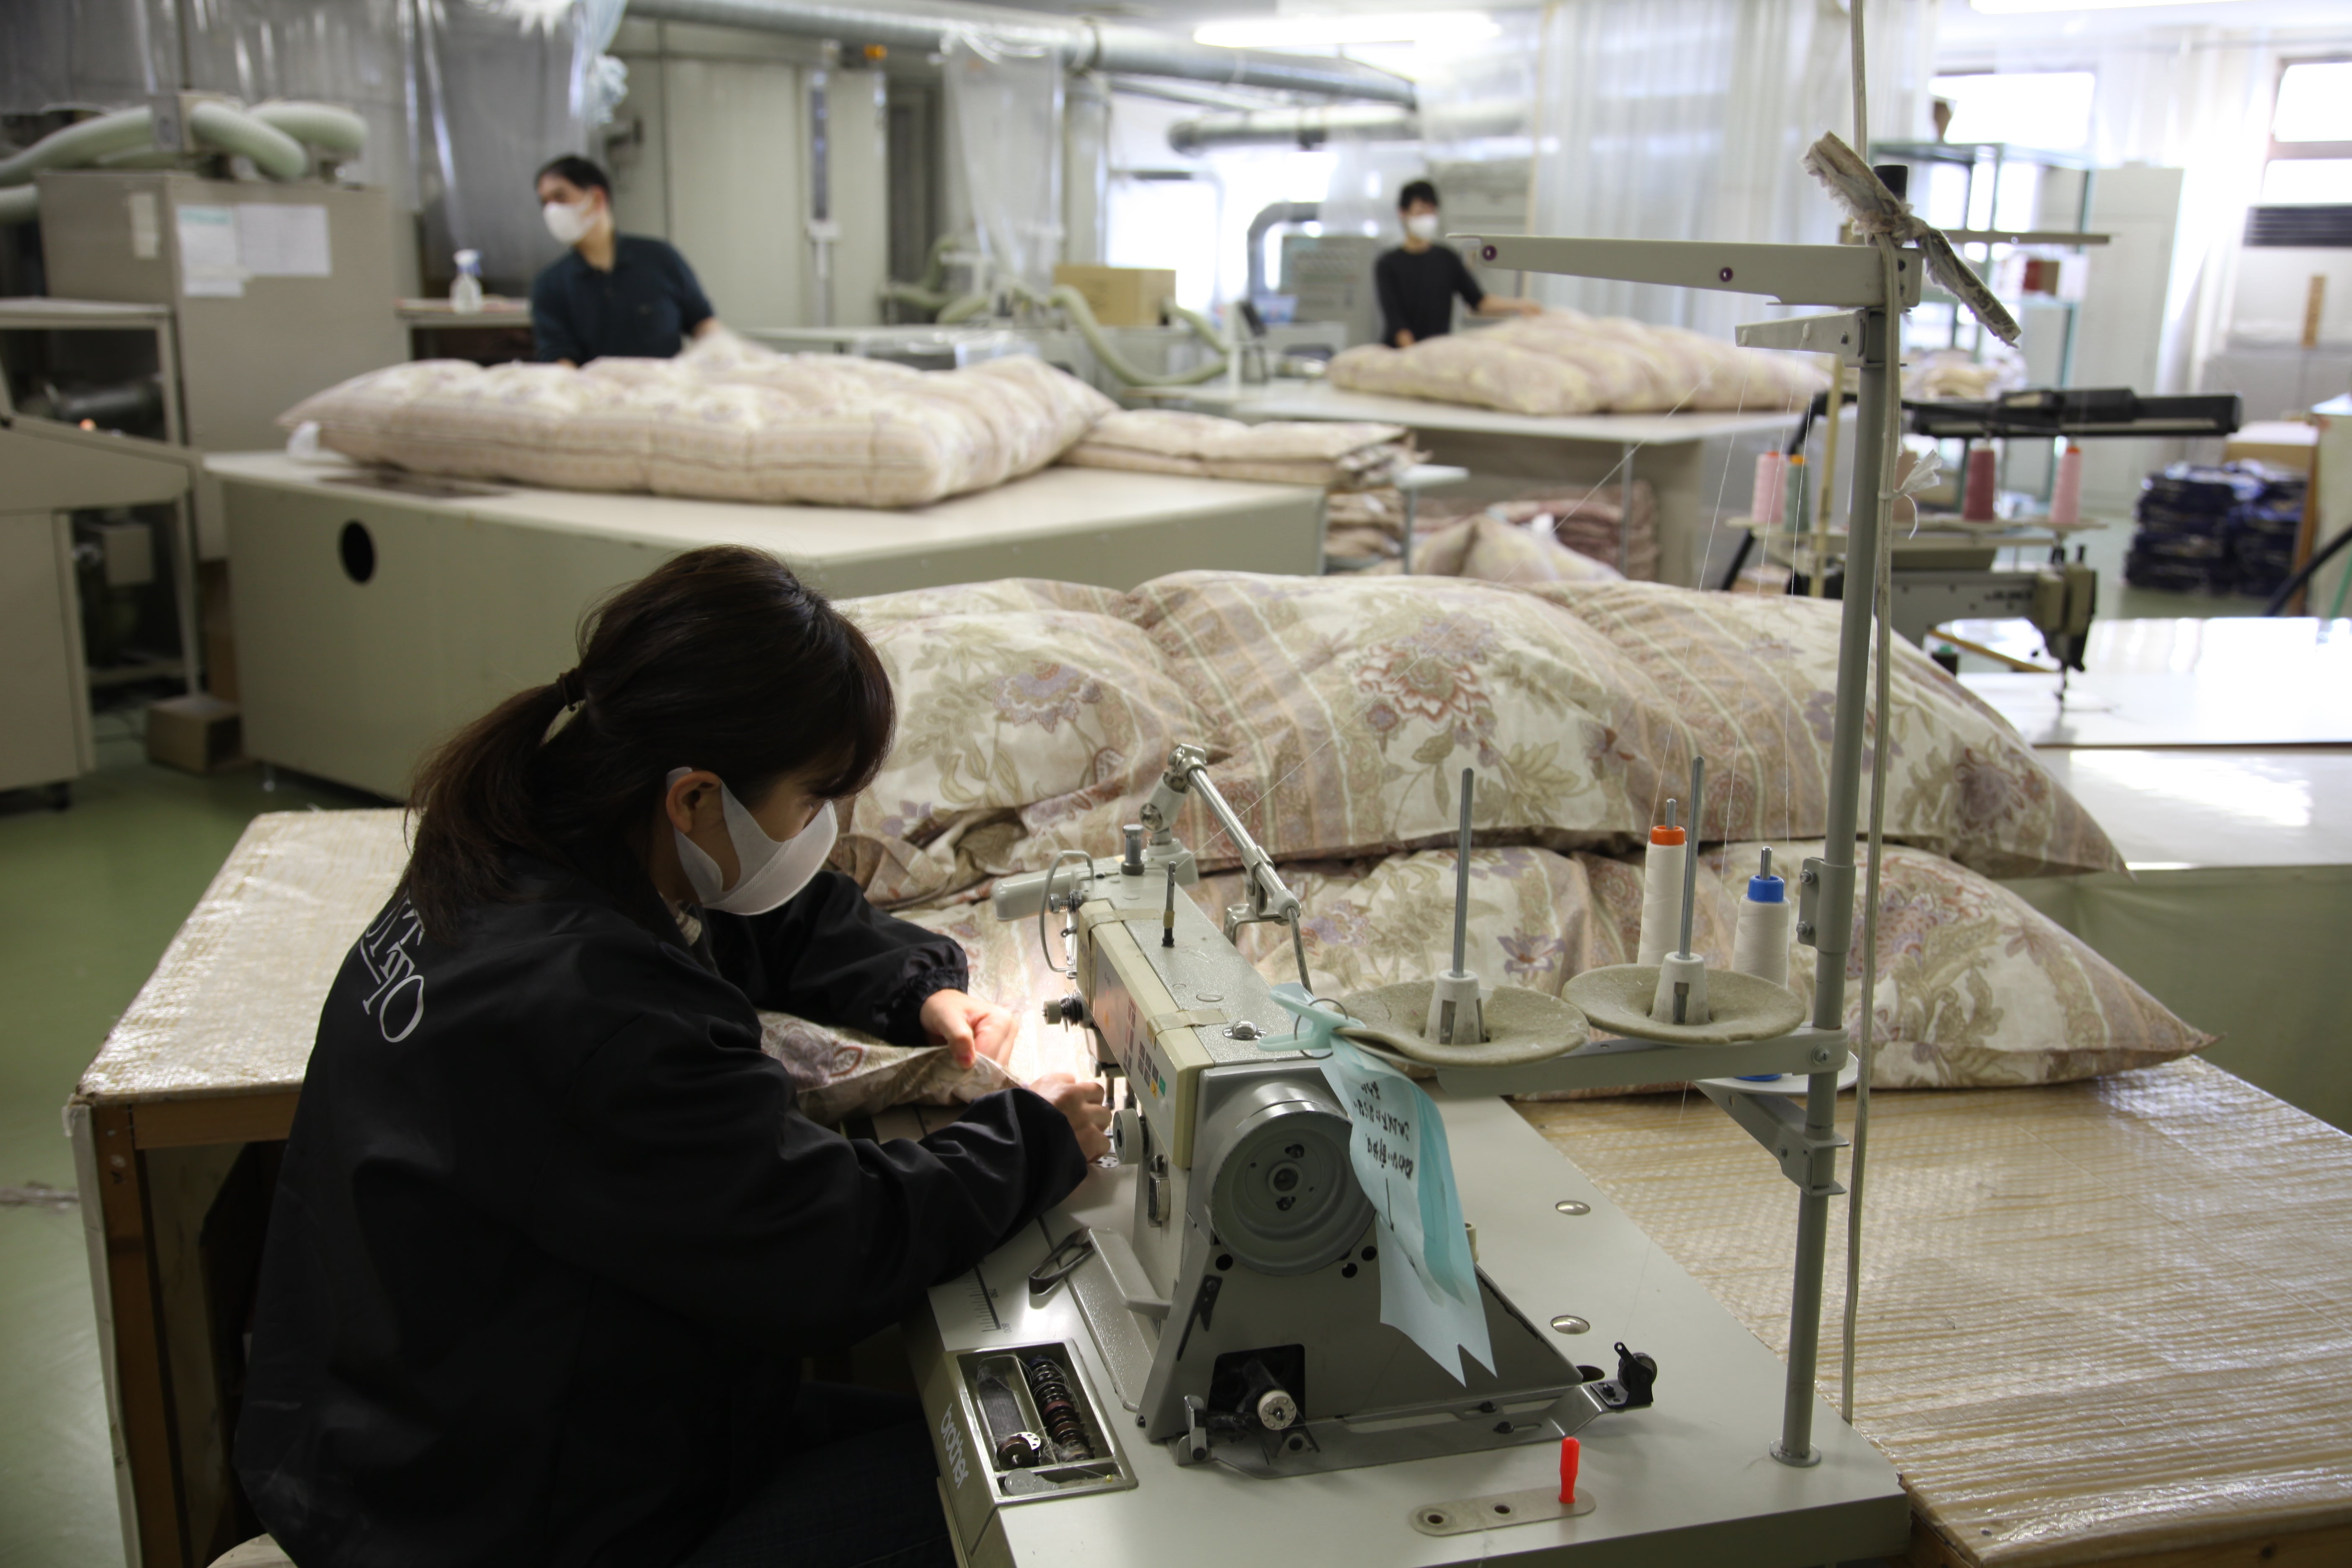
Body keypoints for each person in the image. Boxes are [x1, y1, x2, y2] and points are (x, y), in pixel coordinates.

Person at [233, 546, 1112, 1568]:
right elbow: (830, 1248)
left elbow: (750, 918)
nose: (818, 831)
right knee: (1033, 1501)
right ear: (694, 800)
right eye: (809, 804)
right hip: (495, 1517)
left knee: (947, 1443)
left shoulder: (518, 845)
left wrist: (915, 982)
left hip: (423, 1428)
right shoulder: (599, 1012)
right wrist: (1037, 1137)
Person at [530, 154, 723, 366]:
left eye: (560, 198)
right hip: (594, 387)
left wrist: (719, 360)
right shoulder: (549, 285)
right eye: (545, 203)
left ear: (597, 198)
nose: (552, 211)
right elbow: (558, 356)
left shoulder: (661, 258)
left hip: (665, 385)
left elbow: (703, 323)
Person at [1373, 178, 1542, 349]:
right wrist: (1415, 356)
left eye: (1431, 211)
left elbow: (1479, 302)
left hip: (1439, 351)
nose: (1427, 218)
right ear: (1403, 213)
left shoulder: (1446, 258)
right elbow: (1397, 323)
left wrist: (1520, 304)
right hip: (1400, 354)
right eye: (1421, 211)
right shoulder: (1388, 264)